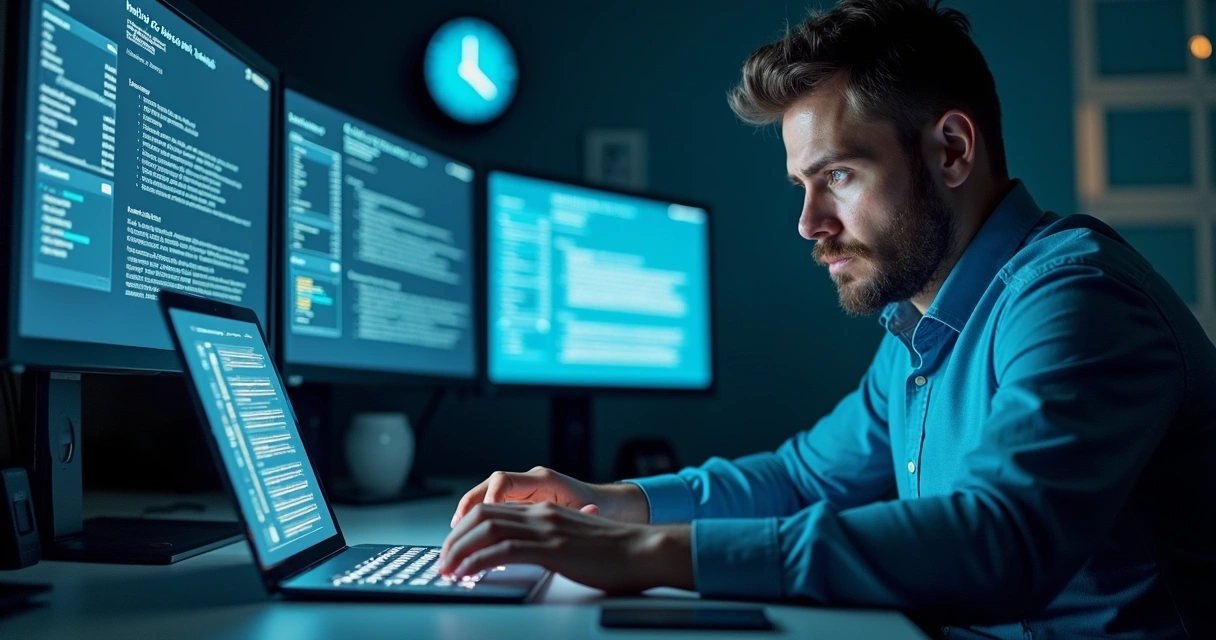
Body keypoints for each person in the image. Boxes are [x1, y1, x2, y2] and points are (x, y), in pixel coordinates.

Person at [438, 1, 1216, 637]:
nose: (809, 223)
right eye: (801, 185)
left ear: (950, 151)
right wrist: (612, 504)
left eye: (838, 174)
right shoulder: (926, 323)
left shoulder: (1074, 299)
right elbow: (805, 478)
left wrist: (644, 553)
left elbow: (1001, 542)